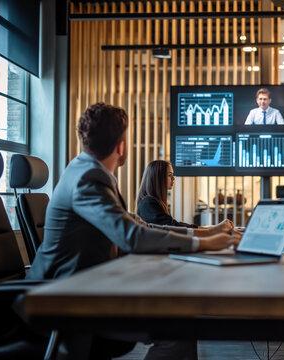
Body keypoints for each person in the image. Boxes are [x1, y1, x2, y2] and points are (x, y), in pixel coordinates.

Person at [26, 103, 240, 359]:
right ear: (121, 145)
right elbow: (132, 236)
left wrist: (204, 235)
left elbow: (139, 225)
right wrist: (205, 245)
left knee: (179, 319)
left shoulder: (85, 171)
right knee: (179, 329)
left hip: (84, 290)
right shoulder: (88, 178)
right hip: (68, 302)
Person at [137, 160, 198, 228]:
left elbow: (172, 224)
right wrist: (202, 230)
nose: (173, 178)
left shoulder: (155, 201)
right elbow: (171, 226)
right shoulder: (147, 203)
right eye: (169, 175)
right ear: (158, 177)